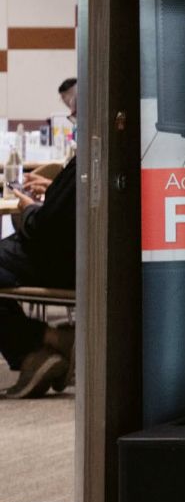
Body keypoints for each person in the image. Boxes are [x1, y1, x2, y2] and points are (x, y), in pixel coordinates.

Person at [0, 153, 76, 398]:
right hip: (65, 256)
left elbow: (45, 229)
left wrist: (29, 210)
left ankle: (44, 344)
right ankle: (40, 350)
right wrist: (54, 191)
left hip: (53, 259)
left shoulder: (91, 153)